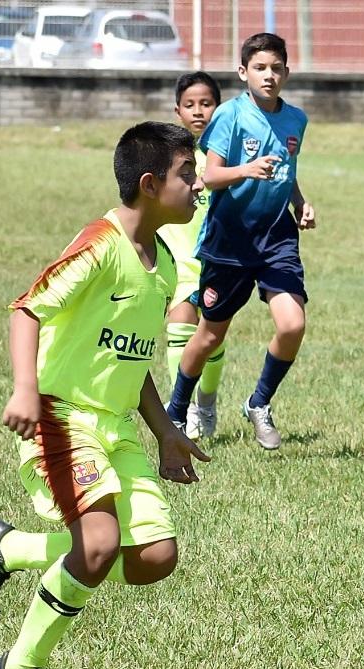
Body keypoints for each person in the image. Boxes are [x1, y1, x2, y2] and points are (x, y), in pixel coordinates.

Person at [0, 122, 211, 669]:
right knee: (97, 545)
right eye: (186, 175)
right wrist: (26, 389)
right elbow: (27, 310)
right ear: (150, 185)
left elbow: (135, 359)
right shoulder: (100, 244)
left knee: (154, 558)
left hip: (116, 426)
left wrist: (167, 432)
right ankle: (20, 667)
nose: (198, 184)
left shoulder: (167, 264)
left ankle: (12, 549)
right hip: (59, 417)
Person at [165, 32, 315, 450]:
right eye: (260, 68)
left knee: (293, 324)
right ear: (243, 72)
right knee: (211, 335)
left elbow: (287, 168)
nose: (269, 76)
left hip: (276, 236)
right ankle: (177, 412)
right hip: (230, 241)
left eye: (276, 68)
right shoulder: (229, 115)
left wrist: (300, 203)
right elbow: (208, 176)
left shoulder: (296, 119)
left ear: (287, 71)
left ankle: (259, 403)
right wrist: (246, 170)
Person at [158, 70, 224, 440]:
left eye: (206, 103)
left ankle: (208, 399)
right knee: (180, 327)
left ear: (219, 107)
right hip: (178, 255)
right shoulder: (169, 154)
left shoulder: (225, 154)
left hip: (217, 258)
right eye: (190, 105)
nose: (198, 111)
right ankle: (181, 407)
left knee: (212, 337)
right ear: (178, 110)